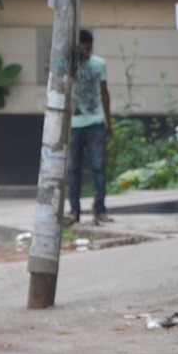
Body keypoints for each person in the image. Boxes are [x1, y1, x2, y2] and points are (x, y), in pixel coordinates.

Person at [66, 29, 112, 225]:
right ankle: (74, 211)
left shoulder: (99, 64)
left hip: (95, 121)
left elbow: (104, 93)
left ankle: (100, 210)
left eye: (87, 49)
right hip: (75, 123)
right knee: (73, 169)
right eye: (81, 49)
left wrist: (108, 122)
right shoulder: (69, 66)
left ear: (91, 47)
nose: (85, 53)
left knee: (98, 167)